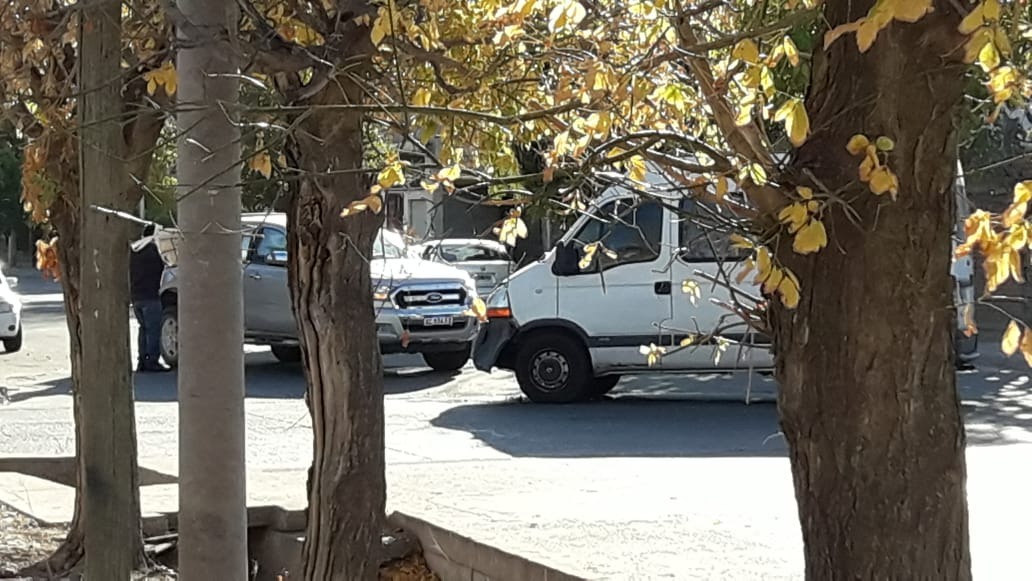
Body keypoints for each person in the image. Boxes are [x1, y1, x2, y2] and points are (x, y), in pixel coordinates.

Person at [130, 224, 168, 372]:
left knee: (143, 329)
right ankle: (152, 360)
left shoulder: (135, 250)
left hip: (137, 296)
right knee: (153, 330)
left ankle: (142, 360)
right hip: (151, 296)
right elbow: (163, 266)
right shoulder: (153, 251)